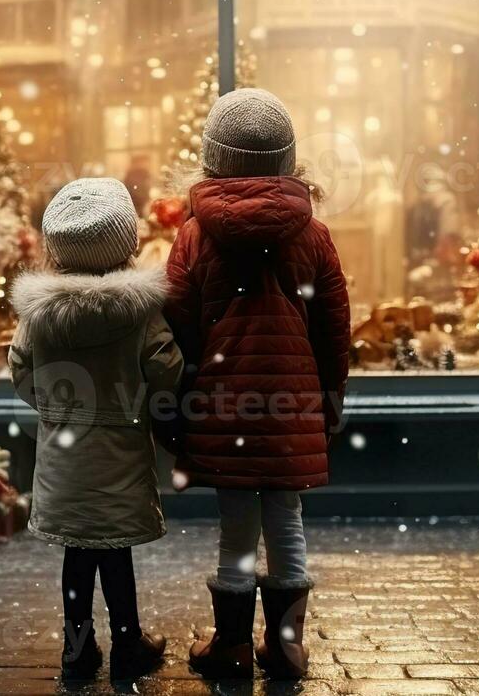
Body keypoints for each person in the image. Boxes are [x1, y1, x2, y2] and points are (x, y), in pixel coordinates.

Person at [164, 88, 351, 680]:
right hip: (292, 402)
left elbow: (178, 318)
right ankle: (288, 645)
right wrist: (330, 393)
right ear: (287, 160)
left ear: (213, 158)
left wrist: (187, 389)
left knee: (236, 525)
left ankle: (232, 645)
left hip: (224, 403)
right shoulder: (313, 234)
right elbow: (333, 324)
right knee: (286, 520)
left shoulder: (195, 234)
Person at [8, 177, 184, 680]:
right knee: (116, 555)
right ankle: (129, 644)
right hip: (120, 450)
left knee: (77, 558)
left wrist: (53, 408)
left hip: (64, 453)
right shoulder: (140, 311)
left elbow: (21, 368)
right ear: (127, 240)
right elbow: (165, 367)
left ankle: (76, 649)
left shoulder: (39, 314)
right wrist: (145, 403)